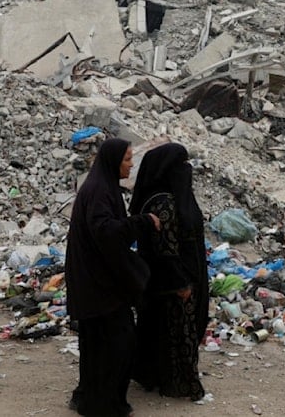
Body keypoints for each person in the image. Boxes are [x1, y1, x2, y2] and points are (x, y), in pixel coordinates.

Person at [65, 138, 160, 417]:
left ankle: (90, 398)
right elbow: (105, 232)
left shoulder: (102, 187)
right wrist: (143, 222)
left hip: (95, 280)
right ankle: (103, 405)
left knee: (98, 343)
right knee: (115, 342)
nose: (131, 165)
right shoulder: (99, 192)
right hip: (98, 284)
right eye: (128, 159)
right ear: (113, 160)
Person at [129, 142, 209, 401]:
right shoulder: (163, 203)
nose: (186, 170)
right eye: (180, 166)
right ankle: (179, 383)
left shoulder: (171, 197)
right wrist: (181, 283)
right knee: (177, 330)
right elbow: (166, 250)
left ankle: (154, 376)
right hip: (172, 282)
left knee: (162, 329)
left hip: (170, 278)